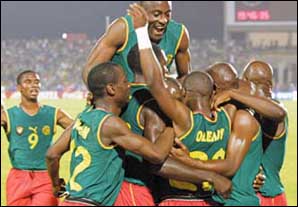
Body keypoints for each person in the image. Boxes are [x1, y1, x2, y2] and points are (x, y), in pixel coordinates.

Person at [128, 4, 263, 205]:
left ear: (186, 94)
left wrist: (141, 32)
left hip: (176, 200)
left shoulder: (183, 120)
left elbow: (155, 83)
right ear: (213, 94)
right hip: (209, 200)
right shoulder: (228, 116)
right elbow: (270, 107)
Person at [114, 44, 232, 206]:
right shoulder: (154, 104)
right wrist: (210, 176)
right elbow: (156, 163)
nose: (167, 71)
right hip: (141, 189)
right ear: (154, 67)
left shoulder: (117, 98)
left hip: (116, 185)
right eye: (164, 66)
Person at [46, 62, 175, 206]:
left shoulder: (82, 117)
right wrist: (171, 124)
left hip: (71, 201)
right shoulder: (111, 124)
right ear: (111, 89)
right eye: (125, 81)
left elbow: (52, 154)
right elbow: (156, 154)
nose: (129, 86)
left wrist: (56, 184)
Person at [1, 70, 73, 206]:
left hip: (45, 176)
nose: (34, 85)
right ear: (19, 88)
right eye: (28, 82)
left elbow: (80, 130)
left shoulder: (54, 113)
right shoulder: (8, 115)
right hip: (18, 177)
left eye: (37, 82)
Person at [82, 1, 191, 85]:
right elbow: (90, 70)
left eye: (167, 14)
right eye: (156, 14)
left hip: (154, 102)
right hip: (123, 104)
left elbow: (185, 77)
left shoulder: (179, 34)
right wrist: (99, 95)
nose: (163, 20)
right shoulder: (123, 28)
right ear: (141, 13)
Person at [242, 60, 288, 206]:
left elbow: (278, 113)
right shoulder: (243, 110)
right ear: (272, 85)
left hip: (266, 195)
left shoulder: (272, 113)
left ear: (244, 81)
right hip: (252, 196)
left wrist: (232, 93)